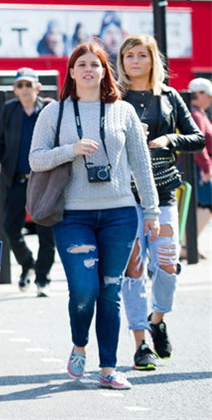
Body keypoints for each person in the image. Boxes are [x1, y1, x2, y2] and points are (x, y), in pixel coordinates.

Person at [30, 42, 159, 390]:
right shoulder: (53, 113)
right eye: (81, 64)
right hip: (73, 217)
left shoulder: (123, 112)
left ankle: (107, 368)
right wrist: (69, 150)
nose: (88, 70)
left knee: (110, 291)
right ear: (71, 73)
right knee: (84, 290)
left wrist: (151, 211)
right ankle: (79, 345)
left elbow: (141, 166)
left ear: (105, 72)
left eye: (96, 64)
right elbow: (36, 159)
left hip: (119, 214)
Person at [117, 36, 204, 370]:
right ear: (122, 61)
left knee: (167, 266)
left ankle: (157, 320)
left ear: (153, 60)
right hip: (124, 195)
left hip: (163, 190)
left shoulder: (168, 97)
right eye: (129, 55)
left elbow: (197, 138)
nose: (135, 61)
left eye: (142, 55)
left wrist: (169, 138)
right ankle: (140, 343)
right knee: (133, 270)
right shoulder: (114, 97)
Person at [0, 68, 56, 297]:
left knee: (47, 231)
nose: (24, 89)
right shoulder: (9, 110)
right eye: (20, 85)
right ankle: (28, 263)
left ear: (37, 87)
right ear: (15, 90)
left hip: (44, 180)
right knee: (9, 227)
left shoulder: (49, 109)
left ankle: (43, 278)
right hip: (16, 179)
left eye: (28, 84)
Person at [188, 78, 212, 242]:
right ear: (199, 94)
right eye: (208, 95)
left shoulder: (198, 113)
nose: (210, 99)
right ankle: (187, 244)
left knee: (199, 205)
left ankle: (188, 243)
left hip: (198, 166)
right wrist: (206, 167)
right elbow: (199, 144)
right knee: (207, 203)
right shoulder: (196, 115)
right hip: (198, 167)